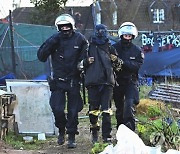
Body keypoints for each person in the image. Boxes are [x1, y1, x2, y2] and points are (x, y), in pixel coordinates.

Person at [37, 14, 88, 148]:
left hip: (73, 80)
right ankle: (61, 129)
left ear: (72, 26)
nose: (65, 29)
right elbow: (41, 56)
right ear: (58, 27)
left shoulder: (80, 39)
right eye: (62, 27)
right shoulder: (54, 39)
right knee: (57, 108)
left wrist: (82, 66)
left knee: (73, 110)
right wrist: (51, 43)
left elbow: (86, 55)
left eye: (67, 26)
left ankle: (71, 136)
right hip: (58, 80)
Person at [78, 24, 122, 143]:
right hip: (92, 82)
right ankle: (95, 131)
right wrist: (86, 61)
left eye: (103, 31)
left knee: (106, 110)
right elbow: (79, 65)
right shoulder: (88, 47)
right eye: (99, 31)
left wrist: (116, 60)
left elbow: (118, 67)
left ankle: (106, 135)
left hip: (107, 82)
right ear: (95, 32)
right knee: (93, 110)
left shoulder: (110, 47)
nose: (101, 33)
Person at [112, 22, 144, 131]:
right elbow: (108, 63)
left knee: (129, 105)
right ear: (121, 35)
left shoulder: (137, 50)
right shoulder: (114, 48)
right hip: (117, 81)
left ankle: (130, 130)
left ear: (133, 36)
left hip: (131, 81)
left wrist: (122, 62)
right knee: (119, 108)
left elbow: (136, 66)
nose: (127, 38)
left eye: (129, 36)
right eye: (125, 35)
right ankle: (120, 130)